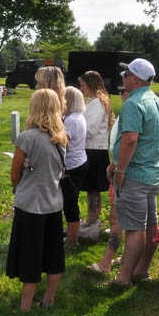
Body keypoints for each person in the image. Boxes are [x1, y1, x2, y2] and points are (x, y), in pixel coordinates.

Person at [6, 88, 67, 311]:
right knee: (54, 254)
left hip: (31, 204)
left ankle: (25, 305)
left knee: (30, 255)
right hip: (54, 202)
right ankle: (49, 300)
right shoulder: (61, 138)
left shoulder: (27, 138)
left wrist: (18, 187)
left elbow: (15, 173)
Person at [110, 57, 159, 287]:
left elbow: (130, 140)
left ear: (136, 79)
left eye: (126, 75)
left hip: (134, 174)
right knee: (150, 225)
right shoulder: (156, 101)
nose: (123, 78)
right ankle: (141, 269)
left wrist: (120, 170)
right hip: (151, 173)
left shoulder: (133, 103)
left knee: (134, 228)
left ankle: (124, 278)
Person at [87, 87, 128, 274]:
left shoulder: (132, 110)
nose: (120, 93)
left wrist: (117, 168)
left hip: (124, 171)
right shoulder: (130, 109)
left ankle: (105, 264)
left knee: (116, 218)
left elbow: (129, 142)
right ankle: (127, 257)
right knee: (123, 218)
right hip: (118, 165)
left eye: (123, 90)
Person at [77, 70, 113, 240]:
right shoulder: (94, 102)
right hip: (92, 149)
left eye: (83, 85)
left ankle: (92, 225)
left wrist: (76, 124)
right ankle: (91, 222)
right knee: (91, 189)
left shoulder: (98, 103)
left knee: (93, 190)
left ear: (91, 85)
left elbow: (91, 129)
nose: (81, 89)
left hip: (95, 150)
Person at [62, 86, 88, 247]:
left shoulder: (71, 120)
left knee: (69, 203)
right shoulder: (79, 116)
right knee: (71, 200)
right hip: (80, 161)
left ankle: (73, 240)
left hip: (72, 165)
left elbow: (63, 142)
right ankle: (72, 234)